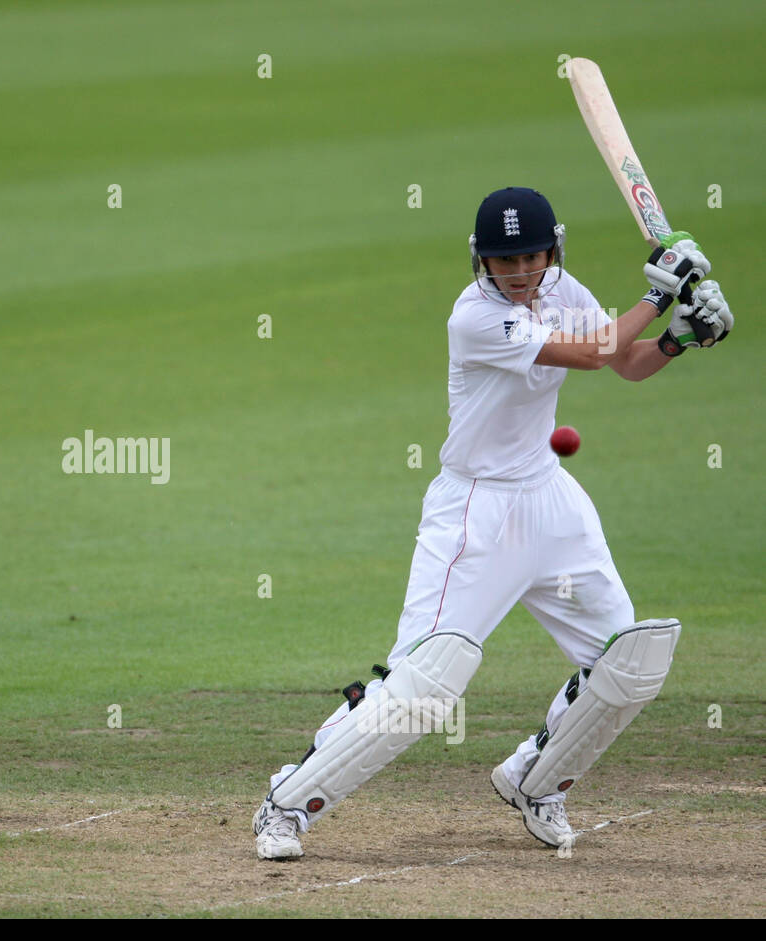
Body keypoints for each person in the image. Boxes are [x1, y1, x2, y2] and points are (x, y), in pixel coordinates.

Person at [252, 188, 734, 859]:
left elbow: (627, 362)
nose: (519, 272)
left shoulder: (565, 290)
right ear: (482, 261)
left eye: (531, 257)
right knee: (422, 688)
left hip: (550, 503)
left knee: (627, 661)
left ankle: (536, 781)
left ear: (551, 251)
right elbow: (595, 353)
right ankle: (284, 804)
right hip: (473, 515)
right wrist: (660, 296)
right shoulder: (474, 317)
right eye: (505, 260)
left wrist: (682, 336)